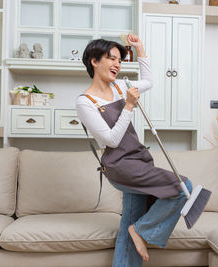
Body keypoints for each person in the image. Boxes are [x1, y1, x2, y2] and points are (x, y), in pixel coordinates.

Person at [75, 35, 193, 267]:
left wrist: (140, 48)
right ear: (94, 61)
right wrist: (128, 105)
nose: (117, 64)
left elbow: (148, 80)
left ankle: (135, 230)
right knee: (182, 187)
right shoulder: (85, 102)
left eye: (120, 60)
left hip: (139, 161)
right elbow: (111, 140)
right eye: (111, 59)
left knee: (129, 223)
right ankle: (141, 230)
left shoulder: (120, 86)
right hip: (120, 166)